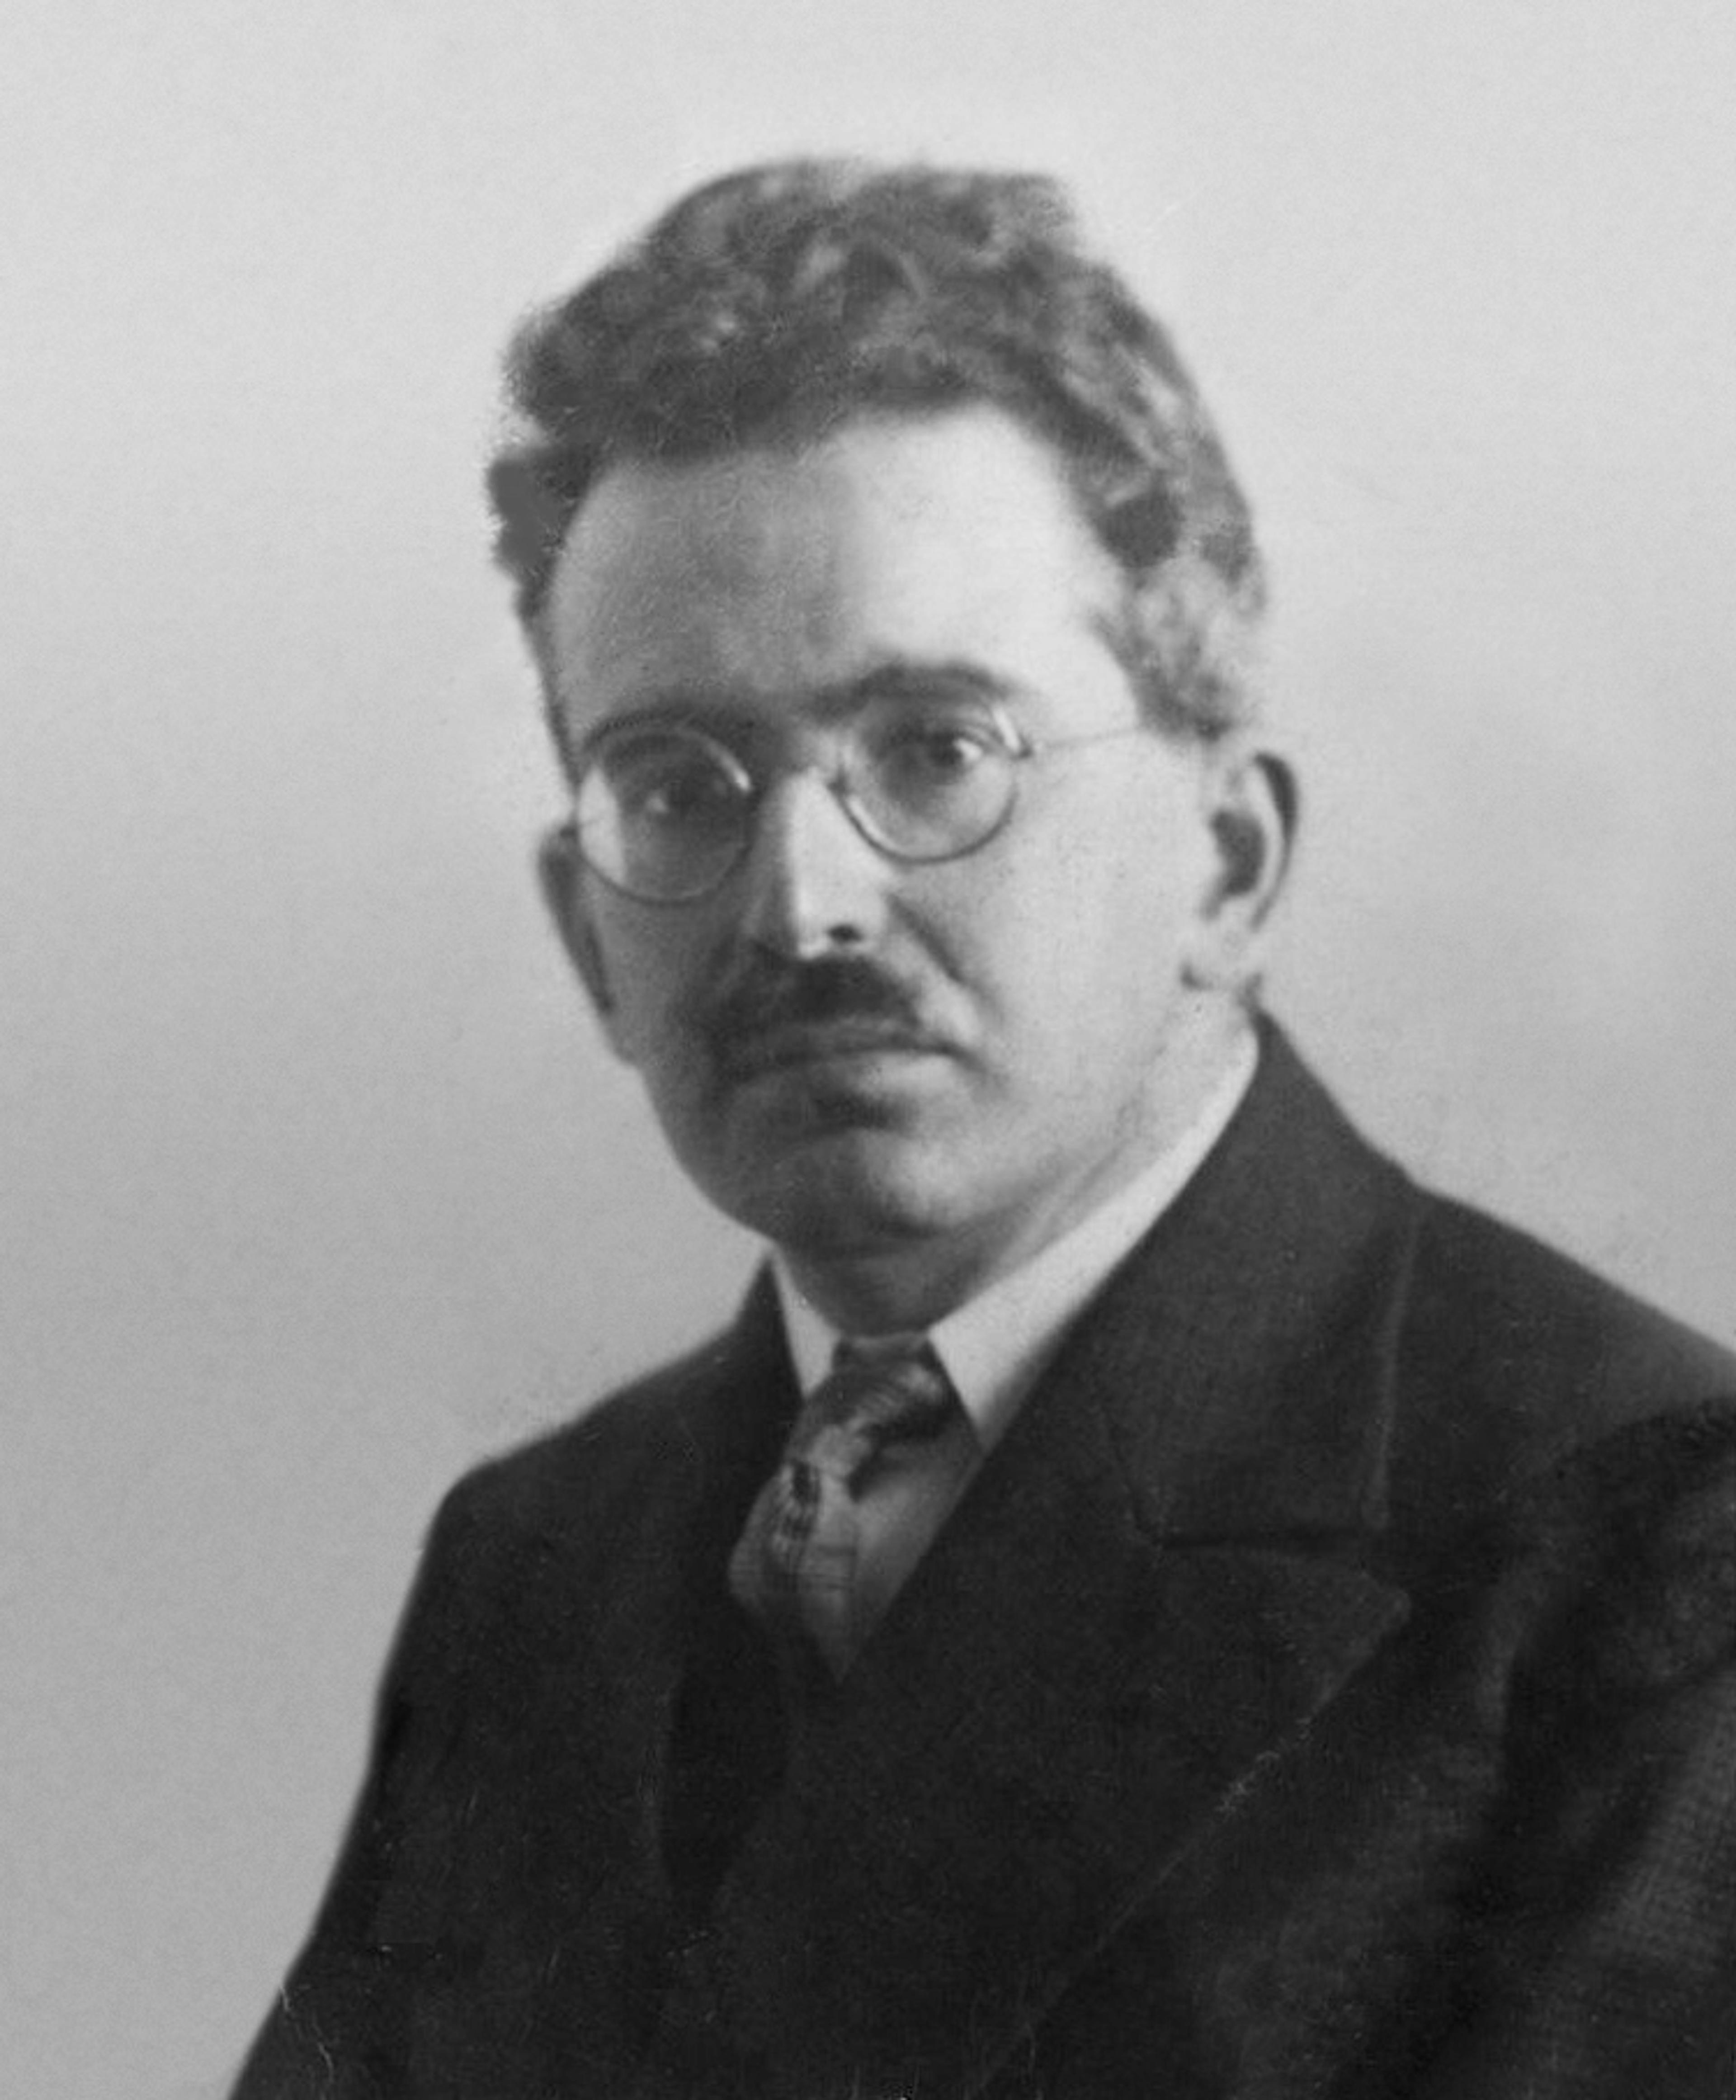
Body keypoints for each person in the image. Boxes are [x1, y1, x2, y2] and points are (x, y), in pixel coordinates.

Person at [233, 160, 1736, 2099]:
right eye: (676, 785)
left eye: (936, 750)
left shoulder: (1650, 1562)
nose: (802, 904)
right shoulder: (538, 1561)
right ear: (585, 937)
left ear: (1230, 856)